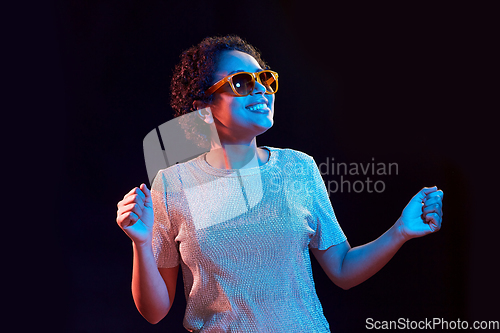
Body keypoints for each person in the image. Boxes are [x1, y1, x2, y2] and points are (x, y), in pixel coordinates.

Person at [116, 35, 443, 332]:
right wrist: (141, 244)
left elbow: (342, 268)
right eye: (241, 83)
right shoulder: (172, 185)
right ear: (202, 106)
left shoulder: (299, 168)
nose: (260, 89)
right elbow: (155, 311)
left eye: (265, 79)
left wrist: (400, 229)